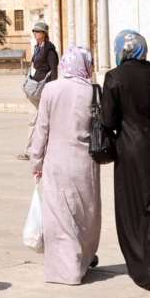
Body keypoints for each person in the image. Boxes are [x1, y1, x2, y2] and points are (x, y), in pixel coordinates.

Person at [101, 29, 150, 291]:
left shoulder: (114, 77)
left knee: (131, 209)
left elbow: (108, 120)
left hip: (129, 151)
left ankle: (141, 268)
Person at [27, 45, 102, 285]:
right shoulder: (91, 91)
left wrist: (36, 161)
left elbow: (42, 129)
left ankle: (63, 269)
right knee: (85, 214)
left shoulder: (51, 89)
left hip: (56, 161)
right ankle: (83, 259)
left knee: (59, 216)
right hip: (84, 163)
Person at [19, 22, 58, 160]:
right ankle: (31, 150)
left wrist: (52, 90)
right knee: (34, 119)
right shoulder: (38, 48)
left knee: (40, 120)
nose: (35, 33)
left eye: (38, 31)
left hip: (43, 89)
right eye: (34, 31)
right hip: (35, 88)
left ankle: (36, 150)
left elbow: (54, 70)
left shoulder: (50, 50)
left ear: (44, 34)